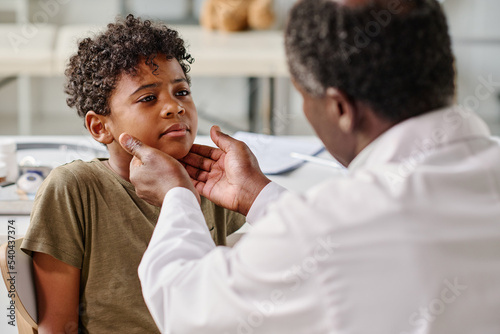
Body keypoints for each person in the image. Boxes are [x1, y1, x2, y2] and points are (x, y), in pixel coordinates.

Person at [121, 0, 500, 333]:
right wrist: (259, 195)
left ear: (340, 109)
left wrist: (176, 196)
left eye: (305, 99)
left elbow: (187, 308)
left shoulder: (326, 230)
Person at [20, 15, 245, 334]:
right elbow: (57, 327)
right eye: (148, 98)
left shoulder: (211, 183)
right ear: (100, 127)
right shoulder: (74, 189)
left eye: (181, 92)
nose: (174, 107)